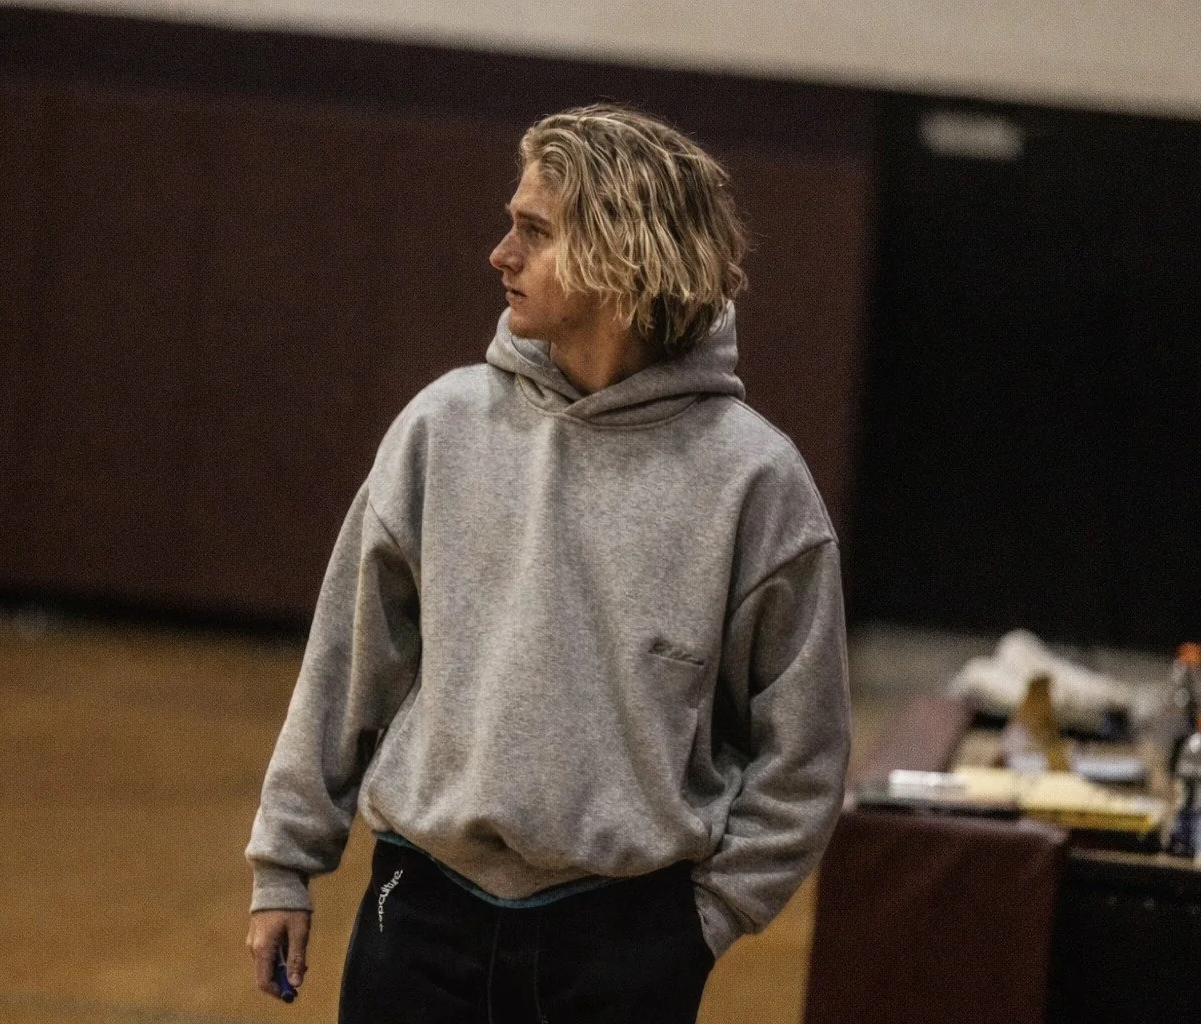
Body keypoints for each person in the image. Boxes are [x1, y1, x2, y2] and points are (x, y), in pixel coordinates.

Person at [245, 104, 850, 1024]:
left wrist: (707, 921)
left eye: (534, 230)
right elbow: (346, 661)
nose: (500, 254)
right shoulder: (442, 427)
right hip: (418, 919)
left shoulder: (756, 482)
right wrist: (285, 864)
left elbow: (802, 751)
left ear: (624, 254)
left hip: (625, 944)